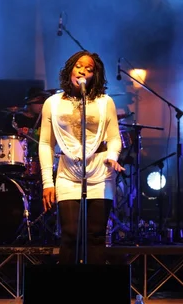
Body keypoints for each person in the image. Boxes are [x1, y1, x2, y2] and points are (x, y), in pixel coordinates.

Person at [39, 50, 125, 264]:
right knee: (69, 234)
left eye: (90, 69)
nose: (83, 71)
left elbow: (114, 138)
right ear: (70, 69)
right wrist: (47, 182)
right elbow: (45, 143)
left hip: (100, 173)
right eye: (79, 66)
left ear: (95, 75)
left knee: (96, 235)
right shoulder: (53, 103)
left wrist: (113, 155)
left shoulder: (106, 102)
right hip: (68, 173)